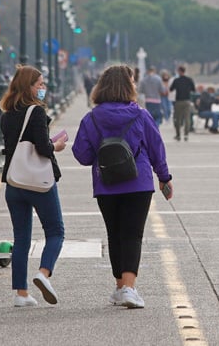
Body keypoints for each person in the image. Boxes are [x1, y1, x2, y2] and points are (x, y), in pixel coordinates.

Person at [72, 64, 173, 309]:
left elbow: (82, 155)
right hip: (138, 183)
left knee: (114, 234)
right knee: (133, 235)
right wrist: (164, 177)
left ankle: (120, 287)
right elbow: (156, 147)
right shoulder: (140, 115)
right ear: (128, 86)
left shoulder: (92, 117)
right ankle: (129, 288)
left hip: (106, 184)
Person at [0, 65, 67, 307]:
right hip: (38, 183)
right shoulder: (35, 112)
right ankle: (44, 273)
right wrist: (56, 146)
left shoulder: (6, 115)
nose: (43, 88)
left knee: (21, 238)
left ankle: (21, 293)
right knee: (56, 231)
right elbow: (41, 147)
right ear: (28, 87)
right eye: (39, 84)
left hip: (14, 182)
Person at [169, 65, 196, 141]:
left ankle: (178, 135)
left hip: (178, 101)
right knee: (187, 118)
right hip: (187, 101)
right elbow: (193, 89)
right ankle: (186, 135)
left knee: (177, 119)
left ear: (179, 71)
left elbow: (171, 89)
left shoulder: (176, 80)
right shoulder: (189, 80)